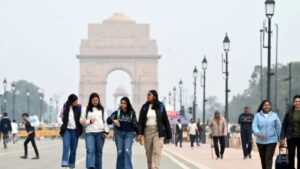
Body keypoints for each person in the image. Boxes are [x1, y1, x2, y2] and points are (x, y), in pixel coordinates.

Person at [137, 90, 172, 169]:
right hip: (147, 131)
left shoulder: (161, 106)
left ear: (154, 96)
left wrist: (169, 134)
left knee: (156, 151)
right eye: (147, 94)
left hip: (157, 131)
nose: (147, 96)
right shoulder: (144, 107)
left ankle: (155, 167)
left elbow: (165, 120)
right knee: (149, 154)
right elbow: (140, 121)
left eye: (149, 94)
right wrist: (139, 133)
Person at [107, 97, 138, 169]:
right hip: (119, 134)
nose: (122, 105)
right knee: (120, 152)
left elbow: (135, 124)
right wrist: (114, 121)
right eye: (121, 103)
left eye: (124, 103)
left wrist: (139, 134)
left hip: (129, 135)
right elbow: (108, 120)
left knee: (127, 151)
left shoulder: (132, 113)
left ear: (127, 104)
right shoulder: (117, 112)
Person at [80, 93, 109, 169]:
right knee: (90, 150)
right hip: (89, 132)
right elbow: (81, 120)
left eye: (96, 100)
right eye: (93, 100)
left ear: (99, 100)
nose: (95, 102)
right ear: (90, 100)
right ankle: (91, 167)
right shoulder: (85, 109)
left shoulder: (103, 109)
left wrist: (106, 132)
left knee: (99, 152)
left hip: (100, 133)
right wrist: (89, 121)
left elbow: (106, 121)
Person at [252, 100, 281, 169]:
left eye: (268, 105)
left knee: (268, 157)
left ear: (270, 106)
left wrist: (280, 138)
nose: (267, 106)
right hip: (260, 141)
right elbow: (254, 126)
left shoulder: (274, 115)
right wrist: (258, 133)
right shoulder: (258, 116)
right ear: (262, 106)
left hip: (272, 140)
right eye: (265, 105)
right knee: (263, 158)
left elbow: (278, 127)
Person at [57, 94, 83, 169]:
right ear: (71, 101)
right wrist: (61, 124)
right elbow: (58, 116)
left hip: (75, 130)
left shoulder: (80, 107)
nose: (77, 102)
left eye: (77, 100)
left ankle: (71, 165)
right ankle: (64, 164)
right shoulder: (64, 106)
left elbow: (83, 116)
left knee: (73, 149)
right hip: (66, 130)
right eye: (75, 101)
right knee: (66, 147)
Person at [280, 95, 300, 169]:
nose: (297, 103)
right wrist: (282, 137)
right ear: (293, 102)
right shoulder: (289, 111)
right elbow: (284, 124)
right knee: (291, 154)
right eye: (296, 101)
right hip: (291, 137)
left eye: (299, 101)